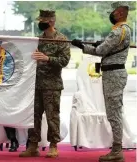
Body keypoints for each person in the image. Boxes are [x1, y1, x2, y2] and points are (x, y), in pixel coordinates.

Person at [71, 2, 131, 162]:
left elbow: (100, 51)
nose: (111, 14)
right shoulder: (125, 30)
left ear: (119, 13)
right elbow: (106, 48)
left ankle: (117, 150)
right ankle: (116, 148)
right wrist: (101, 45)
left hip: (113, 75)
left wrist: (81, 46)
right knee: (114, 111)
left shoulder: (118, 31)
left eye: (113, 12)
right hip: (114, 73)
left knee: (114, 113)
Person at [19, 10, 71, 158]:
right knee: (34, 116)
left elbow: (64, 61)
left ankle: (53, 145)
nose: (40, 23)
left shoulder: (61, 39)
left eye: (43, 20)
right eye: (40, 20)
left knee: (52, 116)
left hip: (52, 85)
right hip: (35, 84)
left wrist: (47, 58)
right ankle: (33, 145)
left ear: (51, 22)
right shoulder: (37, 40)